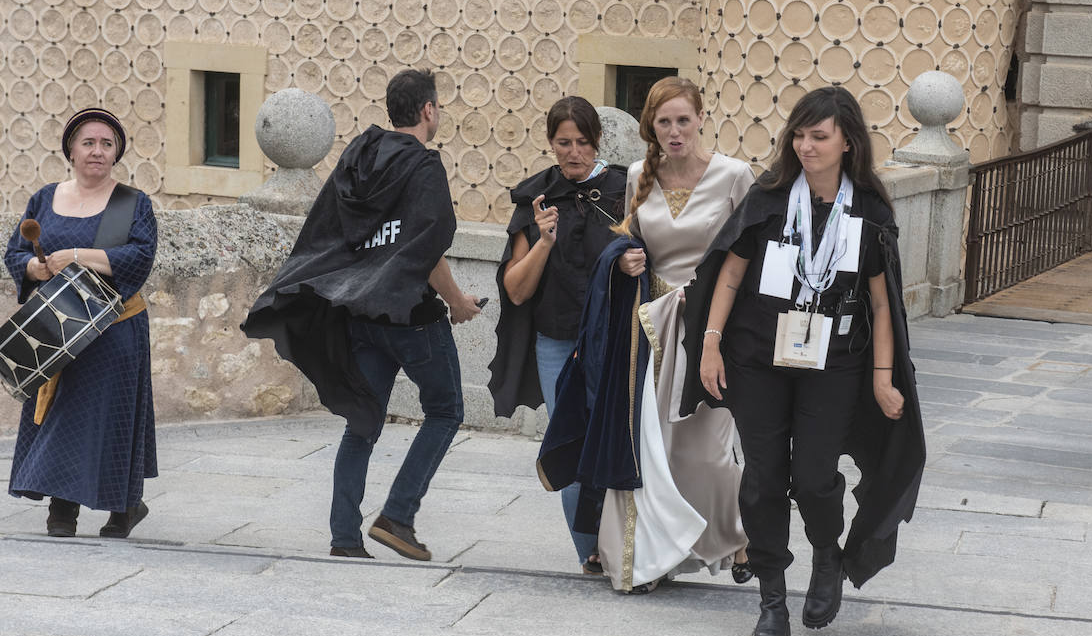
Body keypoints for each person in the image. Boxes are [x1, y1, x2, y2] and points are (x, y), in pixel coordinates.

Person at [684, 86, 927, 636]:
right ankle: (772, 599)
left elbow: (884, 302)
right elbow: (728, 274)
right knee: (763, 476)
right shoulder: (768, 198)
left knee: (815, 475)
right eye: (800, 134)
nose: (806, 145)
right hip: (756, 358)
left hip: (835, 362)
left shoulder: (868, 210)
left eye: (819, 136)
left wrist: (883, 377)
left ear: (848, 142)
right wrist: (711, 345)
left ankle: (826, 552)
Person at [243, 70, 482, 560]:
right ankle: (398, 515)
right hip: (411, 316)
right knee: (445, 411)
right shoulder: (423, 166)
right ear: (429, 111)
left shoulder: (359, 156)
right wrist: (457, 302)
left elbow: (332, 230)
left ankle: (345, 537)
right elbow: (424, 246)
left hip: (358, 314)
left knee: (363, 421)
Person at [539, 76, 754, 592]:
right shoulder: (637, 173)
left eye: (683, 120)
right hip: (650, 331)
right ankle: (647, 561)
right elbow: (625, 245)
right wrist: (627, 258)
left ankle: (732, 536)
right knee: (649, 450)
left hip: (709, 331)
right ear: (650, 128)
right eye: (664, 123)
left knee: (708, 450)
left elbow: (752, 255)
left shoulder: (735, 176)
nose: (675, 132)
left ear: (701, 118)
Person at [488, 96, 627, 573]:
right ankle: (589, 550)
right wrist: (544, 241)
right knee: (569, 440)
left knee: (620, 441)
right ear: (550, 143)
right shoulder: (537, 199)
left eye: (582, 143)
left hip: (617, 339)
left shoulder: (625, 191)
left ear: (597, 142)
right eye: (563, 143)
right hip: (557, 342)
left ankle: (627, 545)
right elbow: (517, 290)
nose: (573, 153)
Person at [4, 108, 157, 538]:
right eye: (88, 142)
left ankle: (124, 507)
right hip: (55, 331)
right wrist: (35, 270)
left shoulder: (133, 203)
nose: (97, 151)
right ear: (71, 149)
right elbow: (16, 253)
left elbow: (139, 258)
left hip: (114, 328)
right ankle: (62, 506)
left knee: (111, 417)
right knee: (60, 412)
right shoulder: (44, 198)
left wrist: (75, 256)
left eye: (107, 144)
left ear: (117, 153)